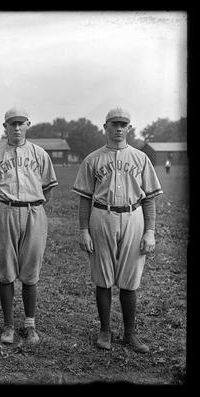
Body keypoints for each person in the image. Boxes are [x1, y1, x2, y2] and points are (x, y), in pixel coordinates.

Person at [72, 107, 163, 353]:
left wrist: (150, 231)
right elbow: (84, 199)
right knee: (103, 277)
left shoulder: (140, 158)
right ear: (106, 127)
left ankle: (130, 334)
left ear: (129, 128)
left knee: (130, 280)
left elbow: (149, 199)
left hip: (134, 216)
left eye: (124, 124)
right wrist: (83, 230)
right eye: (114, 124)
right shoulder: (93, 159)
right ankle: (105, 330)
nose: (119, 128)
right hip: (103, 214)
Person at [0, 107, 58, 346]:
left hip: (34, 212)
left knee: (31, 271)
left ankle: (30, 324)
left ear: (28, 124)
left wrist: (32, 205)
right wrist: (6, 207)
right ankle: (8, 325)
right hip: (5, 211)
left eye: (20, 123)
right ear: (5, 127)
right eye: (11, 124)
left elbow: (49, 189)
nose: (16, 128)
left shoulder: (40, 154)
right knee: (6, 271)